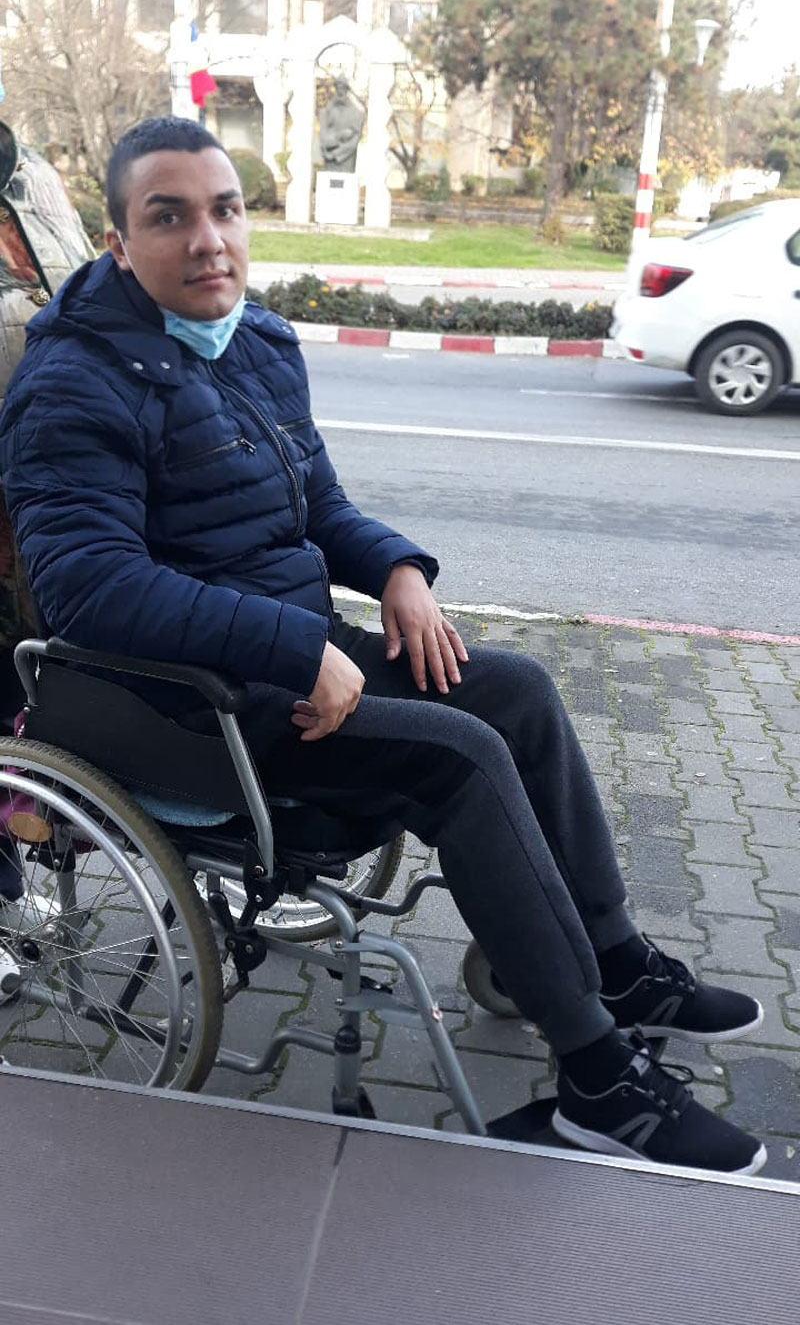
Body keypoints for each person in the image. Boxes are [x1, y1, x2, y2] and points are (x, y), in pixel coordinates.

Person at [0, 117, 767, 1176]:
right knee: (460, 754)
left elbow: (317, 505)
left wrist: (399, 569)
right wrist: (294, 645)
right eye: (168, 217)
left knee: (515, 691)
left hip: (286, 658)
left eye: (225, 210)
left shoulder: (252, 343)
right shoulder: (71, 385)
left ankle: (613, 959)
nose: (208, 239)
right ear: (118, 244)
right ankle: (598, 1081)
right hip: (183, 707)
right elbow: (89, 590)